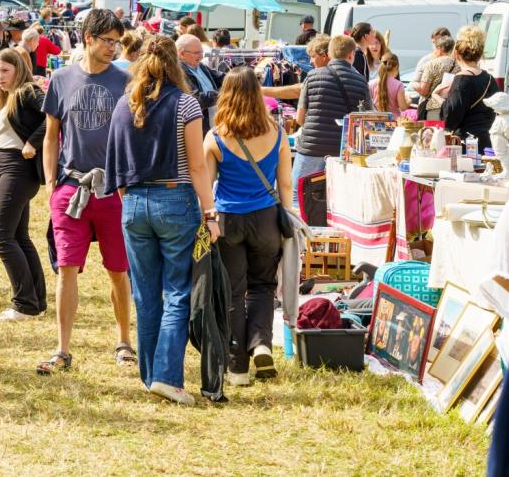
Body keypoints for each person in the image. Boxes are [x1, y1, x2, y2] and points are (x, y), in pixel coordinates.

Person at [104, 36, 219, 404]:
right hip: (175, 198)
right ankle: (167, 377)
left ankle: (151, 375)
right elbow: (198, 166)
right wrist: (210, 212)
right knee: (178, 291)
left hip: (133, 202)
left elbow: (116, 164)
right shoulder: (186, 103)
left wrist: (130, 201)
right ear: (176, 64)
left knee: (145, 294)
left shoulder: (125, 102)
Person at [37, 9, 134, 375]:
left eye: (117, 42)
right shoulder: (61, 79)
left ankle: (124, 341)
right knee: (66, 269)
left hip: (113, 190)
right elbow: (51, 136)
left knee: (118, 270)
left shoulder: (126, 82)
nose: (113, 48)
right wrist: (51, 183)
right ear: (88, 38)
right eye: (107, 41)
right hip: (71, 188)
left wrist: (127, 184)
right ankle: (62, 349)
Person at [204, 66, 293, 385]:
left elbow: (206, 186)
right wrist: (287, 217)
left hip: (228, 219)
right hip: (266, 218)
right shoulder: (277, 133)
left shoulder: (216, 136)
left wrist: (208, 219)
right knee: (263, 286)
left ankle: (237, 366)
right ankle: (262, 343)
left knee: (232, 292)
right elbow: (285, 184)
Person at [0, 49, 47, 321]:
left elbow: (54, 114)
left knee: (0, 236)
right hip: (11, 168)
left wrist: (33, 142)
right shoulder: (12, 96)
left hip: (18, 170)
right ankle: (36, 301)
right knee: (19, 236)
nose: (0, 77)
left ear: (18, 69)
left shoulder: (26, 91)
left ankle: (24, 304)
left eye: (5, 71)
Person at [293, 35, 372, 206]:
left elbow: (300, 119)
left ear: (329, 54)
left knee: (298, 196)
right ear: (351, 55)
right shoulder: (361, 82)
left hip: (312, 147)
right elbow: (367, 119)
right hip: (342, 151)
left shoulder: (312, 76)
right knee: (336, 201)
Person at [441, 26, 500, 153]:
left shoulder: (461, 80)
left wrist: (440, 98)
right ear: (480, 55)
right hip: (489, 143)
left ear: (457, 54)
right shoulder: (490, 79)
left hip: (466, 144)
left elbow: (450, 118)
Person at [176, 34, 224, 135]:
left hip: (213, 123)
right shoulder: (178, 72)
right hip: (200, 128)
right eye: (197, 53)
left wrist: (237, 77)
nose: (201, 56)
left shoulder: (200, 66)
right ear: (182, 54)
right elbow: (195, 98)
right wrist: (222, 95)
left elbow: (220, 78)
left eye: (201, 52)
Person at [370, 52, 409, 117]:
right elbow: (403, 107)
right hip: (393, 120)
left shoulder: (371, 83)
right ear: (396, 67)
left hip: (376, 120)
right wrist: (408, 102)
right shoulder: (399, 84)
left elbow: (368, 104)